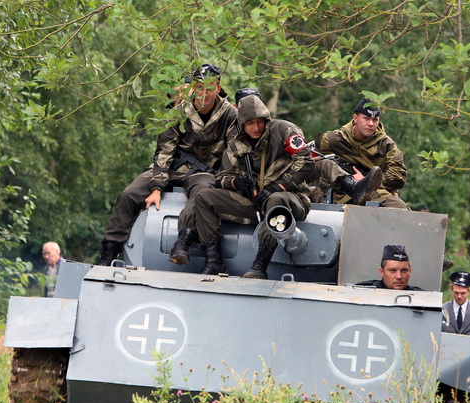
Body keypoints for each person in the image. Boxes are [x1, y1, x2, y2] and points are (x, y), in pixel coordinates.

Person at [98, 64, 238, 266]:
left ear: (218, 87)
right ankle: (109, 251)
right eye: (199, 87)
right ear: (193, 88)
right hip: (171, 167)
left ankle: (182, 243)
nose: (204, 93)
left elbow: (232, 154)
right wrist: (157, 188)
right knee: (129, 195)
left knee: (203, 195)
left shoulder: (230, 116)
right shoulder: (178, 111)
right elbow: (165, 151)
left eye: (209, 87)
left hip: (203, 172)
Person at [191, 94, 314, 278]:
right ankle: (214, 261)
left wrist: (279, 187)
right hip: (255, 201)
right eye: (250, 124)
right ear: (242, 124)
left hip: (291, 199)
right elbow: (221, 177)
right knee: (204, 197)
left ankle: (259, 266)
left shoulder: (284, 130)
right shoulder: (236, 145)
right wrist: (237, 183)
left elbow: (306, 162)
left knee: (275, 199)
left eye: (259, 122)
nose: (255, 128)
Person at [309, 97, 408, 208]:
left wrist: (367, 181)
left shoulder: (387, 145)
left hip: (375, 193)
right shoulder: (335, 139)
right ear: (355, 118)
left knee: (400, 207)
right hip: (342, 195)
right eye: (366, 118)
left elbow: (398, 177)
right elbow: (304, 154)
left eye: (375, 119)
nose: (371, 124)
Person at [356, 244, 423, 290]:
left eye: (404, 270)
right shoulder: (363, 292)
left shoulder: (420, 297)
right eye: (392, 270)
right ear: (381, 272)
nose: (399, 276)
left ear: (410, 271)